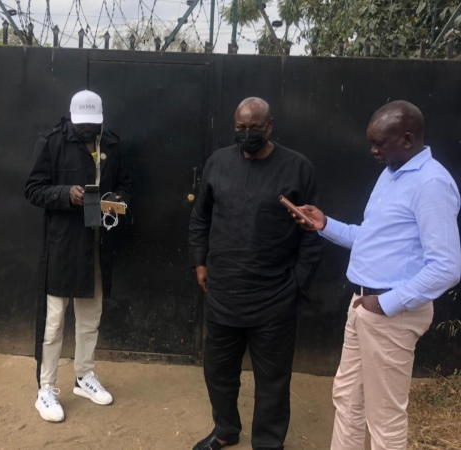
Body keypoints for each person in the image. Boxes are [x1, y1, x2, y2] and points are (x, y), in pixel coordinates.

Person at [291, 100, 461, 450]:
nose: (373, 150)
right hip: (365, 305)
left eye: (379, 143)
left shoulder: (431, 184)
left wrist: (385, 304)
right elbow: (369, 239)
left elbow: (447, 266)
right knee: (347, 400)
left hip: (391, 314)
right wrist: (324, 225)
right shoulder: (391, 174)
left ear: (408, 139)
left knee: (384, 418)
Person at [189, 97, 323, 450]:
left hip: (274, 296)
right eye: (240, 127)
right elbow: (201, 217)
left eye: (254, 128)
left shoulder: (298, 169)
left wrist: (298, 283)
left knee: (273, 380)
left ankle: (267, 443)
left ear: (270, 126)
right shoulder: (218, 162)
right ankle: (225, 429)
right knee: (218, 371)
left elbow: (313, 231)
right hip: (222, 292)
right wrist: (200, 261)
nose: (246, 134)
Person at [25, 90, 131, 423]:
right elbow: (32, 189)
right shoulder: (52, 142)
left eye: (93, 126)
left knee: (90, 317)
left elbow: (127, 188)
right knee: (54, 321)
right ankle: (46, 388)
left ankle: (84, 376)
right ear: (71, 118)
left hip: (98, 244)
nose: (87, 132)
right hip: (63, 245)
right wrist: (64, 193)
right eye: (82, 125)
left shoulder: (112, 144)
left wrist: (115, 200)